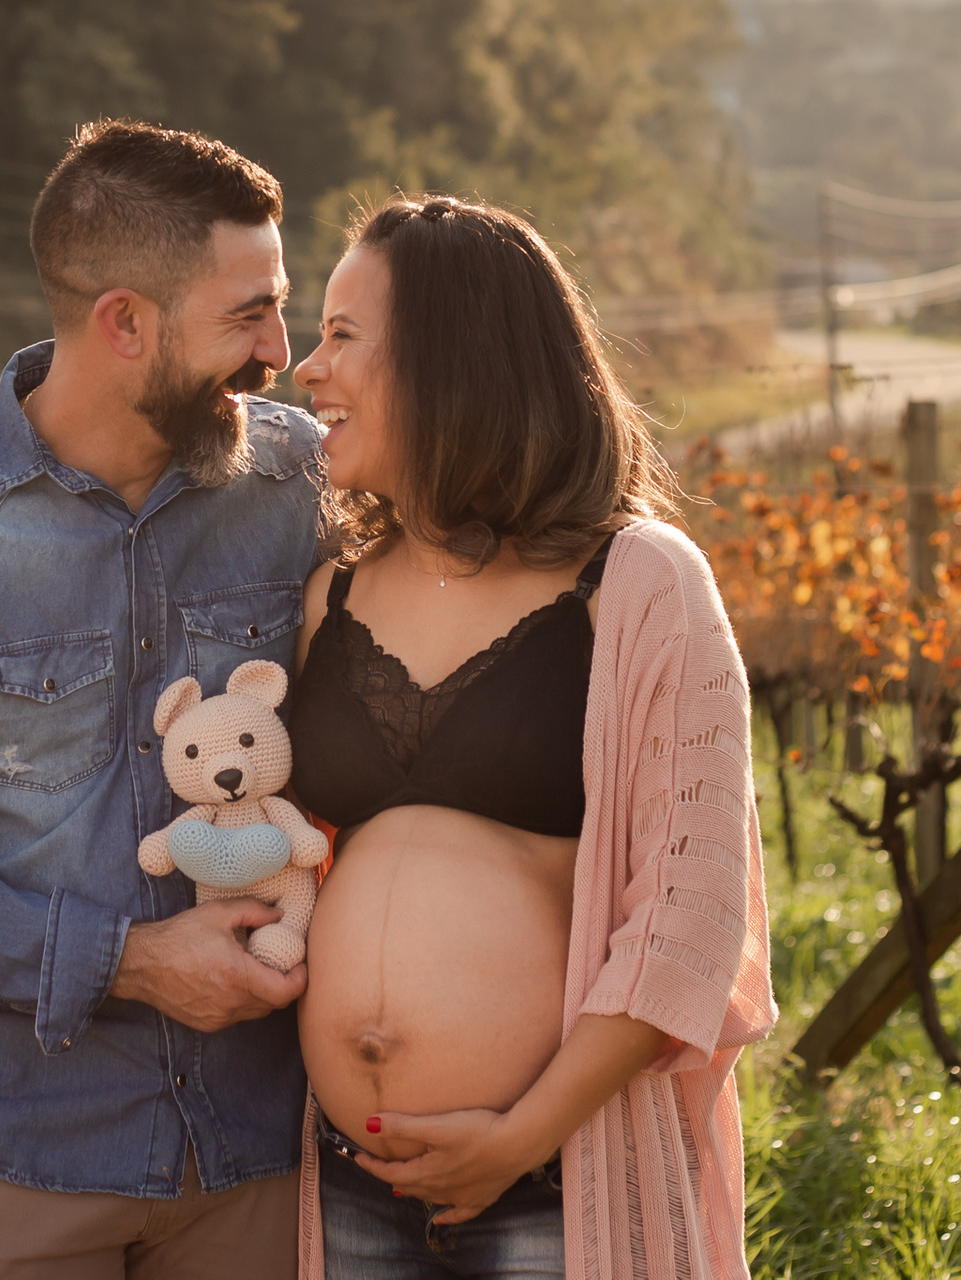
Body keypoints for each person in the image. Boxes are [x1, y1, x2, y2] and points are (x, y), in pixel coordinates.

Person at [0, 120, 326, 1279]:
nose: (282, 351)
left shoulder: (305, 487)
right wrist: (134, 961)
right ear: (124, 321)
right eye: (248, 314)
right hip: (22, 1159)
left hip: (264, 1160)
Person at [284, 194, 777, 1279]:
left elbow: (690, 913)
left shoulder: (639, 583)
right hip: (347, 1181)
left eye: (342, 336)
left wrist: (520, 1135)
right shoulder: (330, 591)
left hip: (557, 1180)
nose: (306, 369)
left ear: (451, 357)